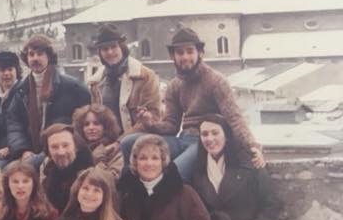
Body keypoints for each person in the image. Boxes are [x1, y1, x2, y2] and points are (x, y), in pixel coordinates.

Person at [125, 27, 264, 181]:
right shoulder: (174, 85)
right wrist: (150, 122)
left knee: (173, 174)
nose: (185, 57)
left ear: (200, 53)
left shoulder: (216, 81)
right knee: (128, 143)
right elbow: (171, 125)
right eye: (180, 52)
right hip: (181, 140)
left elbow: (235, 118)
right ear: (173, 56)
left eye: (190, 51)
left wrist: (252, 146)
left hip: (204, 142)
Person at [6, 34, 90, 164]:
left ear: (49, 56)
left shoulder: (72, 86)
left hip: (61, 149)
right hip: (29, 151)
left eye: (40, 54)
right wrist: (22, 150)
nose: (35, 58)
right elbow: (14, 124)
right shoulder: (21, 90)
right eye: (31, 54)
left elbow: (84, 118)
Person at [84, 24, 161, 139]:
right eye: (105, 49)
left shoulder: (145, 76)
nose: (110, 52)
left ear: (122, 48)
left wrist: (120, 142)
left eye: (114, 47)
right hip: (107, 140)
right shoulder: (96, 82)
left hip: (139, 140)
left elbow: (153, 116)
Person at [40, 124, 94, 213]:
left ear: (75, 146)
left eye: (65, 145)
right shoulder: (46, 169)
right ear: (48, 151)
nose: (61, 152)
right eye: (54, 147)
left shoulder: (92, 175)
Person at [72, 104, 124, 180]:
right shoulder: (76, 150)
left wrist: (98, 158)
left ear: (106, 126)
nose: (91, 128)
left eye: (96, 123)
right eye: (86, 124)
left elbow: (112, 179)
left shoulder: (115, 150)